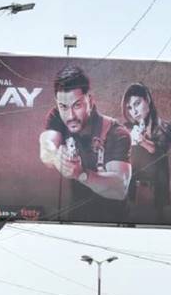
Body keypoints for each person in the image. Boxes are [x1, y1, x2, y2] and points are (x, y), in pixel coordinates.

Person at [39, 64, 132, 222]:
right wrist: (55, 156)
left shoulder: (116, 132)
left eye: (77, 105)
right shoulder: (57, 115)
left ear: (90, 99)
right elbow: (46, 143)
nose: (70, 116)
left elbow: (120, 188)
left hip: (113, 225)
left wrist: (82, 174)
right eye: (63, 106)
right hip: (73, 220)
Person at [121, 82, 171, 221]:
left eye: (137, 103)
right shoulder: (126, 128)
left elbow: (160, 150)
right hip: (131, 195)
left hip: (156, 197)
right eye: (129, 108)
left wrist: (141, 141)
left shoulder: (165, 127)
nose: (134, 111)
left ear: (148, 100)